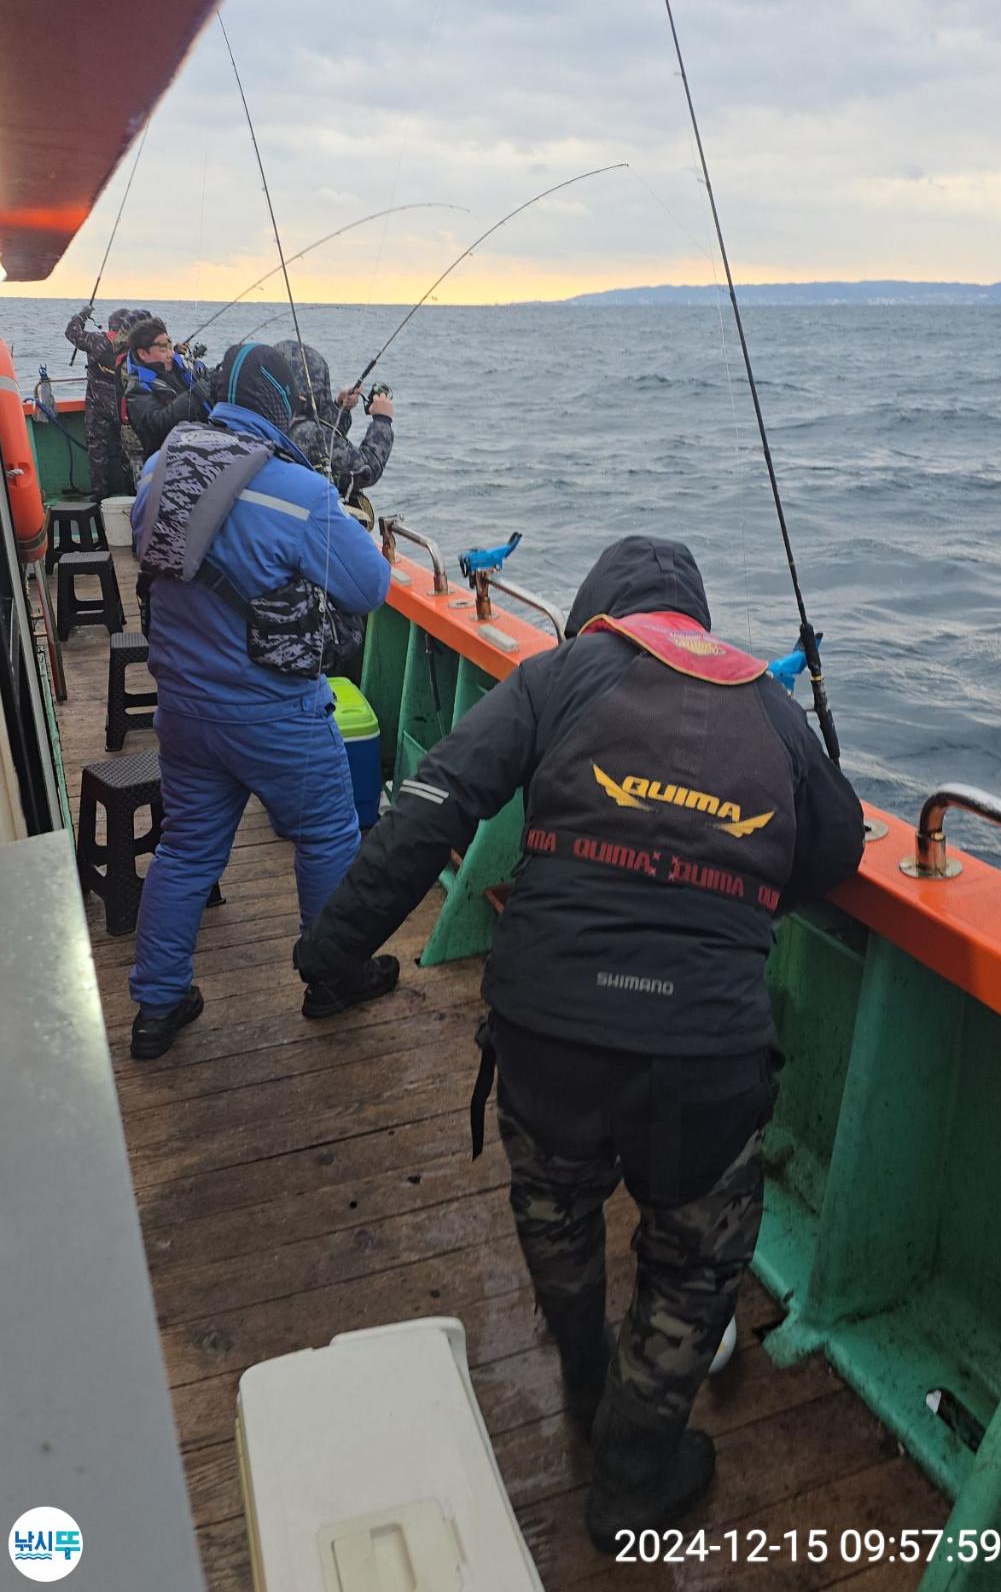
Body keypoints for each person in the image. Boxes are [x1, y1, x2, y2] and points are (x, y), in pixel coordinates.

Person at [293, 534, 865, 1552]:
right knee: (694, 1265)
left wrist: (331, 951)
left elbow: (429, 811)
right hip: (704, 1055)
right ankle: (634, 1478)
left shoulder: (556, 675)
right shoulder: (772, 709)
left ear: (598, 613)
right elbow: (837, 848)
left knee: (555, 1209)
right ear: (696, 621)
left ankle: (587, 1376)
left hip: (548, 1033)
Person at [127, 341, 398, 1062]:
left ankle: (157, 1007)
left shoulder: (158, 469)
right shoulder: (298, 490)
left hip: (183, 707)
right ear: (280, 403)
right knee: (328, 834)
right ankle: (331, 978)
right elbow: (370, 588)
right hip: (276, 713)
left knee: (185, 851)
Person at [275, 340, 394, 502]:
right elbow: (367, 470)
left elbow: (326, 441)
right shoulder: (310, 435)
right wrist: (382, 420)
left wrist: (340, 408)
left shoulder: (277, 421)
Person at [121, 315, 211, 485]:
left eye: (170, 346)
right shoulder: (137, 389)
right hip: (169, 468)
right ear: (143, 353)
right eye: (163, 349)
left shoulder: (182, 371)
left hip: (202, 455)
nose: (171, 354)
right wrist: (194, 396)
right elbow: (156, 424)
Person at [63, 304, 135, 497]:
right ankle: (133, 492)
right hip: (124, 408)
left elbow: (71, 332)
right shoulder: (135, 347)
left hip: (98, 406)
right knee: (128, 451)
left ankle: (100, 494)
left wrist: (82, 315)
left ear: (111, 325)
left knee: (97, 450)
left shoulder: (96, 340)